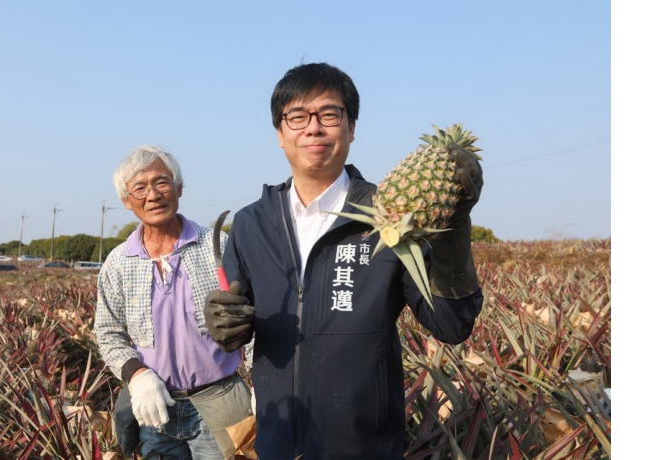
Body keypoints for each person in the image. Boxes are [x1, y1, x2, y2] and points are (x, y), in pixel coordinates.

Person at [203, 63, 485, 459]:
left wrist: (454, 226)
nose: (313, 128)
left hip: (364, 445)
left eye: (330, 114)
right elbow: (238, 325)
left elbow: (452, 325)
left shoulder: (394, 216)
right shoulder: (251, 223)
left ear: (352, 128)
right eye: (297, 116)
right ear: (280, 134)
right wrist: (224, 325)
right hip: (278, 441)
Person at [95, 144, 252, 459]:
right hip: (154, 406)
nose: (152, 195)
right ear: (126, 201)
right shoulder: (118, 262)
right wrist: (136, 374)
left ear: (179, 188)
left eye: (161, 182)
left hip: (220, 398)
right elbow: (107, 332)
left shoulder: (217, 246)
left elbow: (251, 316)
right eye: (139, 188)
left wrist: (263, 383)